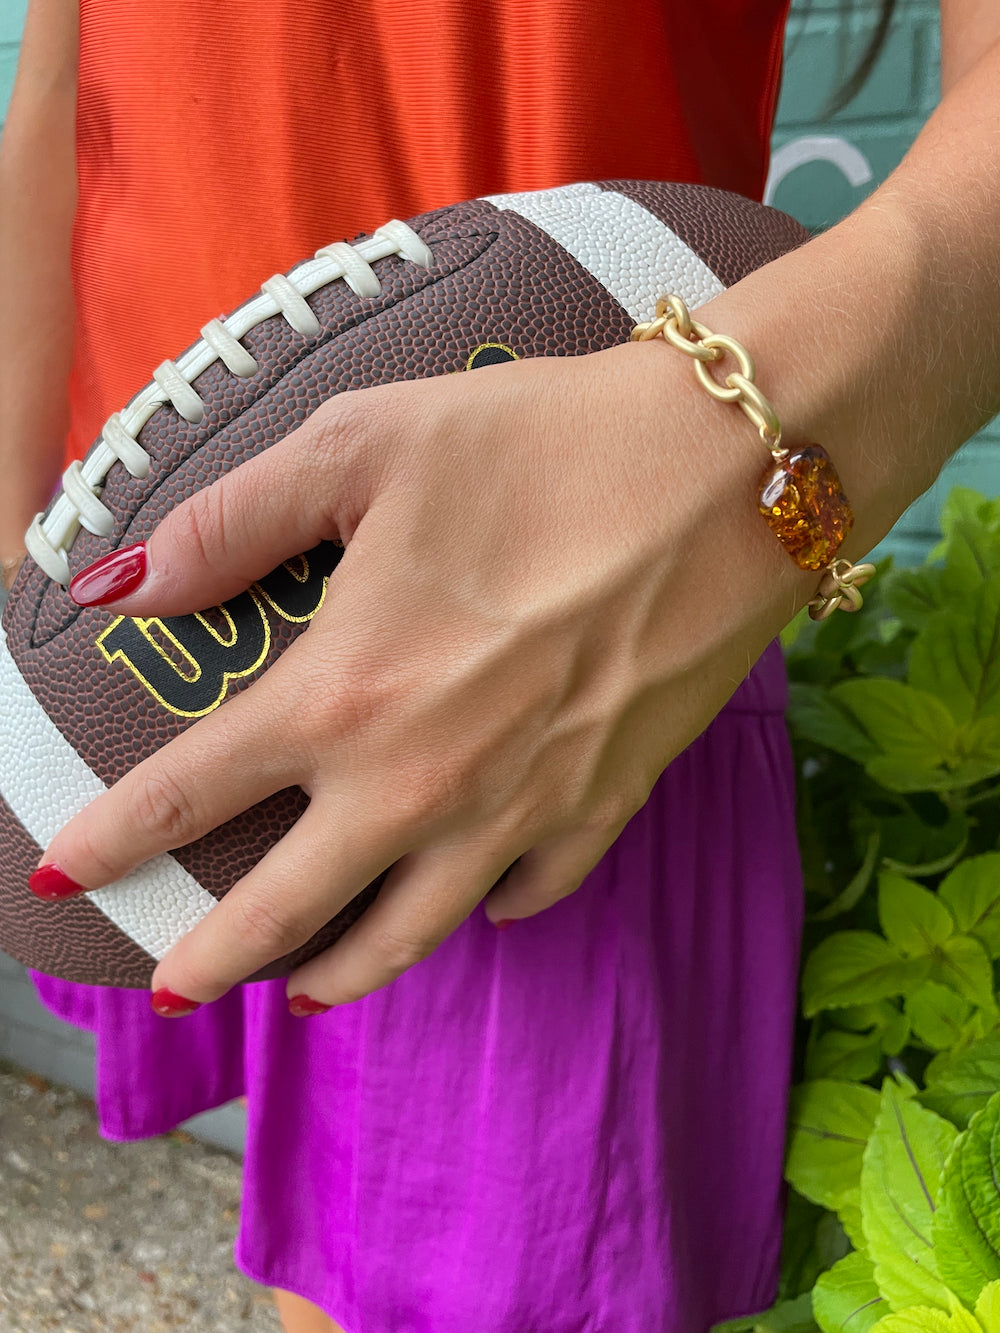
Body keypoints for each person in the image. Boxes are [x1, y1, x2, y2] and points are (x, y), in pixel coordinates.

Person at [1, 1, 998, 1330]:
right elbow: (71, 81)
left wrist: (758, 447)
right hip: (156, 631)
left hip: (566, 640)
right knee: (323, 1252)